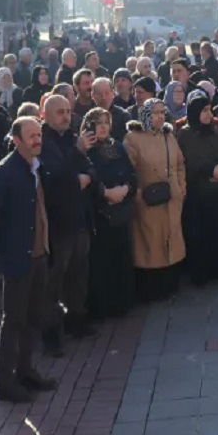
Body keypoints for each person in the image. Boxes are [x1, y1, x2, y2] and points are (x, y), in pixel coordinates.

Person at [0, 117, 59, 403]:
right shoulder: (3, 173)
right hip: (19, 258)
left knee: (34, 317)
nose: (38, 140)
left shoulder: (37, 167)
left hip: (40, 255)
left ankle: (26, 371)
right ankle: (5, 381)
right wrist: (7, 248)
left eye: (39, 134)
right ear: (16, 140)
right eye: (31, 136)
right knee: (13, 320)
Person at [38, 94, 94, 356]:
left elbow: (89, 168)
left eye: (68, 111)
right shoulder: (43, 141)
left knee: (78, 273)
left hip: (79, 219)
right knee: (53, 279)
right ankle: (50, 332)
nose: (65, 116)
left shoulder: (72, 137)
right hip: (57, 222)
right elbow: (53, 175)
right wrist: (77, 173)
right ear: (46, 114)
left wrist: (86, 175)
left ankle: (77, 321)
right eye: (59, 112)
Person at [124, 98, 187, 301]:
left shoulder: (169, 136)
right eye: (155, 113)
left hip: (171, 200)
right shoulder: (133, 139)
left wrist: (180, 188)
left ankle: (171, 285)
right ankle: (152, 291)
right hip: (148, 204)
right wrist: (139, 196)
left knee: (171, 241)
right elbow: (129, 171)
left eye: (162, 112)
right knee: (151, 246)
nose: (160, 116)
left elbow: (179, 163)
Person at [175, 92, 218, 284]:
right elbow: (191, 160)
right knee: (198, 234)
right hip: (198, 192)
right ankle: (201, 273)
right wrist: (211, 170)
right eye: (204, 111)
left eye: (209, 110)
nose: (208, 115)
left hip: (217, 191)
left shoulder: (214, 130)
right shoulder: (185, 133)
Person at [82, 108, 135, 320]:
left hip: (121, 211)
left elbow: (132, 174)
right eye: (98, 122)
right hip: (100, 216)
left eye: (106, 121)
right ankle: (103, 306)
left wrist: (126, 190)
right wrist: (106, 194)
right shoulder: (86, 150)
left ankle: (123, 302)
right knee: (101, 263)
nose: (103, 126)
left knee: (121, 258)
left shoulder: (118, 147)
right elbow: (88, 181)